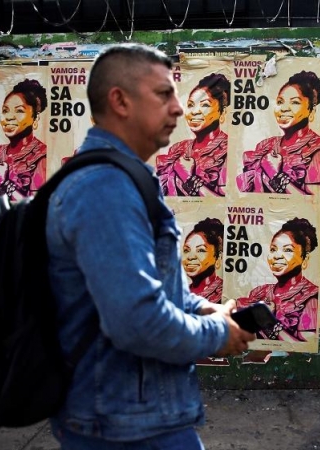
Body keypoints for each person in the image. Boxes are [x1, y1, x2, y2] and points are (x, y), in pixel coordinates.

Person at [45, 44, 254, 449]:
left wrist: (197, 307)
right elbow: (137, 321)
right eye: (164, 94)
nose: (178, 108)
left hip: (133, 414)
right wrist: (216, 334)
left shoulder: (117, 178)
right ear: (120, 101)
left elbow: (129, 289)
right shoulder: (105, 189)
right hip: (125, 424)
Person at [235, 71, 320, 194]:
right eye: (280, 102)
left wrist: (274, 173)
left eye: (294, 102)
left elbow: (315, 206)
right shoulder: (265, 146)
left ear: (311, 110)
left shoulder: (318, 149)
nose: (284, 108)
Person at [237, 217, 319, 341]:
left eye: (287, 250)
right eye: (273, 249)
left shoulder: (310, 296)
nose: (277, 256)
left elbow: (305, 348)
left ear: (305, 259)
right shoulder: (259, 293)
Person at [157, 73, 230, 196]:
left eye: (205, 105)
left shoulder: (228, 149)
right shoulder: (178, 149)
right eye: (191, 105)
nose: (194, 112)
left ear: (222, 113)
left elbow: (229, 201)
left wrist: (183, 172)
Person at [183, 218, 224, 303]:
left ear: (218, 258)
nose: (190, 257)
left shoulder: (223, 294)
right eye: (186, 250)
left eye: (201, 250)